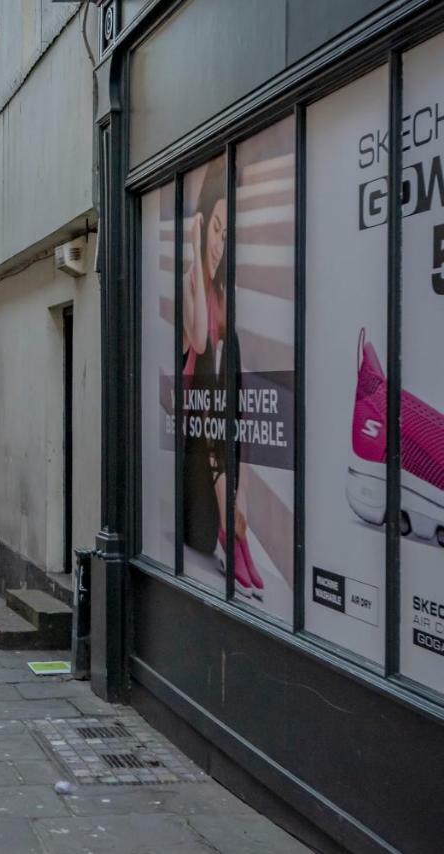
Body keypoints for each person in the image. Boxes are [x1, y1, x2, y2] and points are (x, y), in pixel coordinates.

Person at [181, 159, 264, 598]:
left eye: (225, 236)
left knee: (232, 389)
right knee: (216, 371)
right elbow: (196, 336)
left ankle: (239, 534)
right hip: (196, 436)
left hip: (215, 424)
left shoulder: (223, 294)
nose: (219, 245)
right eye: (216, 228)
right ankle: (232, 538)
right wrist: (194, 244)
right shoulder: (195, 280)